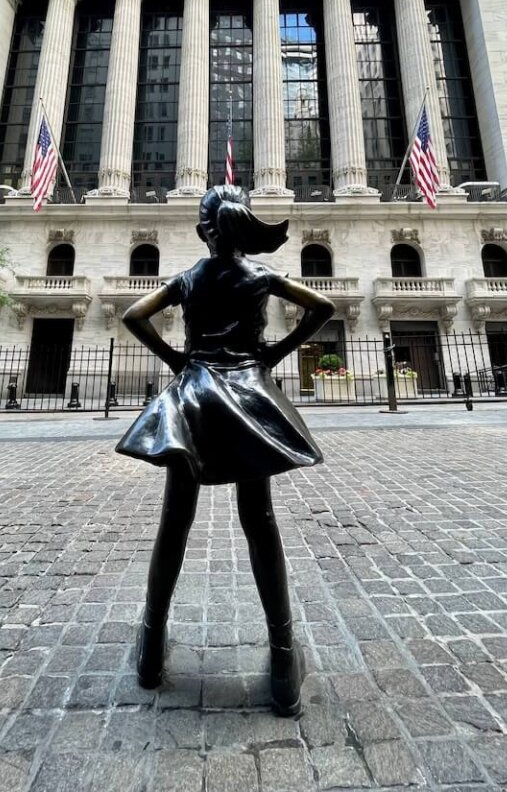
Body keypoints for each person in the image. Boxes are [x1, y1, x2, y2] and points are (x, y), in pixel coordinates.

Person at [116, 185, 334, 716]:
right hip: (248, 396)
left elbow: (132, 315)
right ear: (242, 230)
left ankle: (150, 645)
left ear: (202, 232)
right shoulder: (261, 276)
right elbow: (322, 307)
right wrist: (272, 355)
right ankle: (283, 660)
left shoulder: (189, 276)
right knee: (259, 520)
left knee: (175, 521)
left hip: (194, 395)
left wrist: (176, 359)